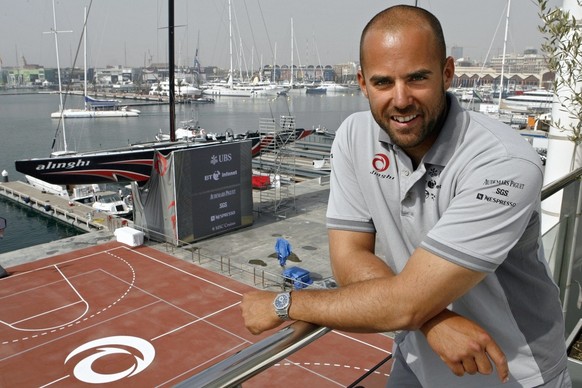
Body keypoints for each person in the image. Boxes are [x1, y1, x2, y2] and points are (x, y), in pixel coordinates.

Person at [241, 5, 571, 387]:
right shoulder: (353, 137)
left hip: (512, 373)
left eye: (417, 78)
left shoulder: (504, 162)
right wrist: (428, 319)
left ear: (448, 73)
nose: (400, 100)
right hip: (417, 357)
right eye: (383, 83)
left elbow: (407, 302)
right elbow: (350, 257)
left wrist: (285, 304)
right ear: (362, 83)